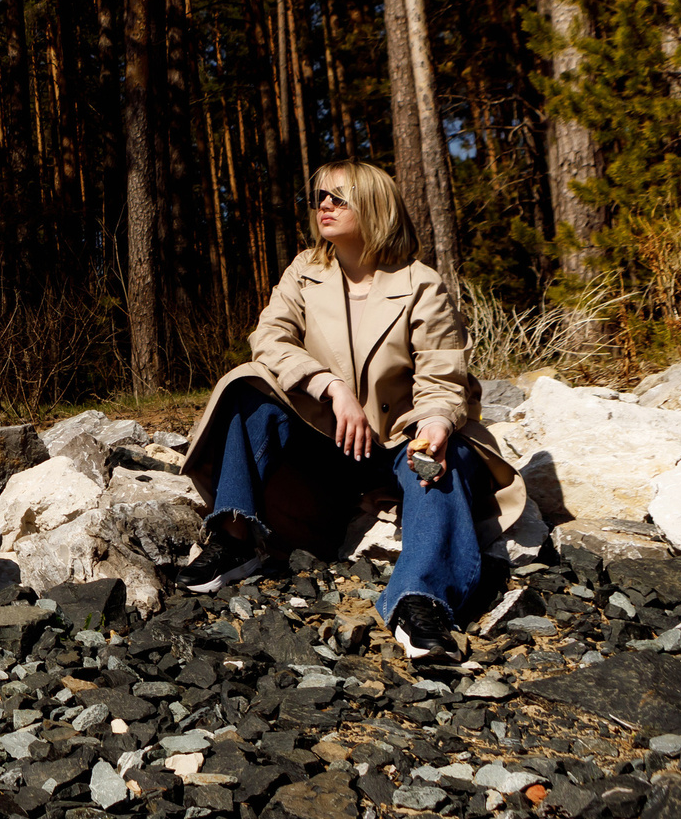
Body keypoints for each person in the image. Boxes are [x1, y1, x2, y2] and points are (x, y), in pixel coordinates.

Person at [172, 160, 526, 663]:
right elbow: (268, 340)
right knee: (247, 388)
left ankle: (419, 603)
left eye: (339, 197)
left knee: (447, 460)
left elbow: (443, 378)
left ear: (376, 208)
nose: (324, 205)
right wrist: (330, 386)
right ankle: (236, 538)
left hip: (399, 442)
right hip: (325, 443)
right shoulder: (304, 271)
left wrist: (435, 424)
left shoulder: (421, 284)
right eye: (320, 195)